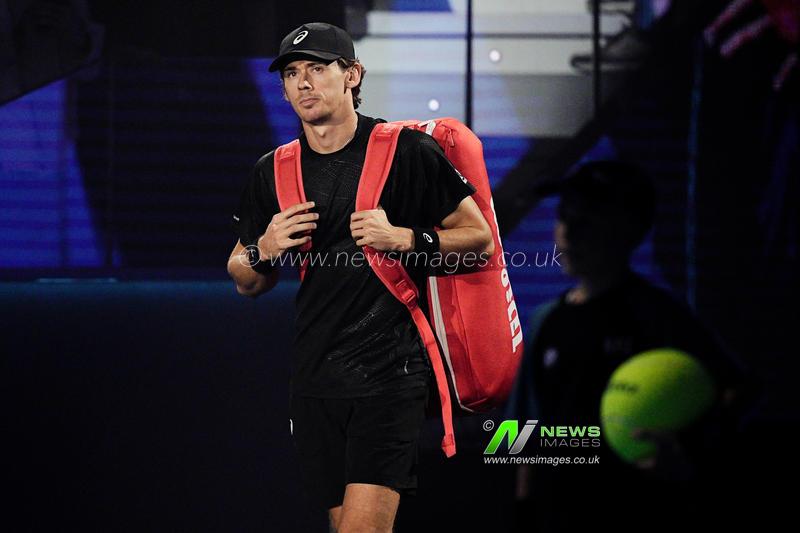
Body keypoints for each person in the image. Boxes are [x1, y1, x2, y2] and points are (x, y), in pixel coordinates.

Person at [226, 22, 493, 532]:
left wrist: (409, 239)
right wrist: (267, 247)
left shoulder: (407, 151)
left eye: (318, 69)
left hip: (390, 376)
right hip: (314, 381)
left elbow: (478, 236)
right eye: (292, 73)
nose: (304, 82)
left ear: (352, 75)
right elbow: (243, 277)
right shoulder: (272, 170)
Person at [506, 161, 752, 532]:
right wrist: (524, 511)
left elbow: (737, 389)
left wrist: (689, 454)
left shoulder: (656, 314)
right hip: (558, 514)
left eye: (587, 219)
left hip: (639, 512)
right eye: (564, 216)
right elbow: (524, 429)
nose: (568, 233)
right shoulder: (545, 320)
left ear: (630, 231)